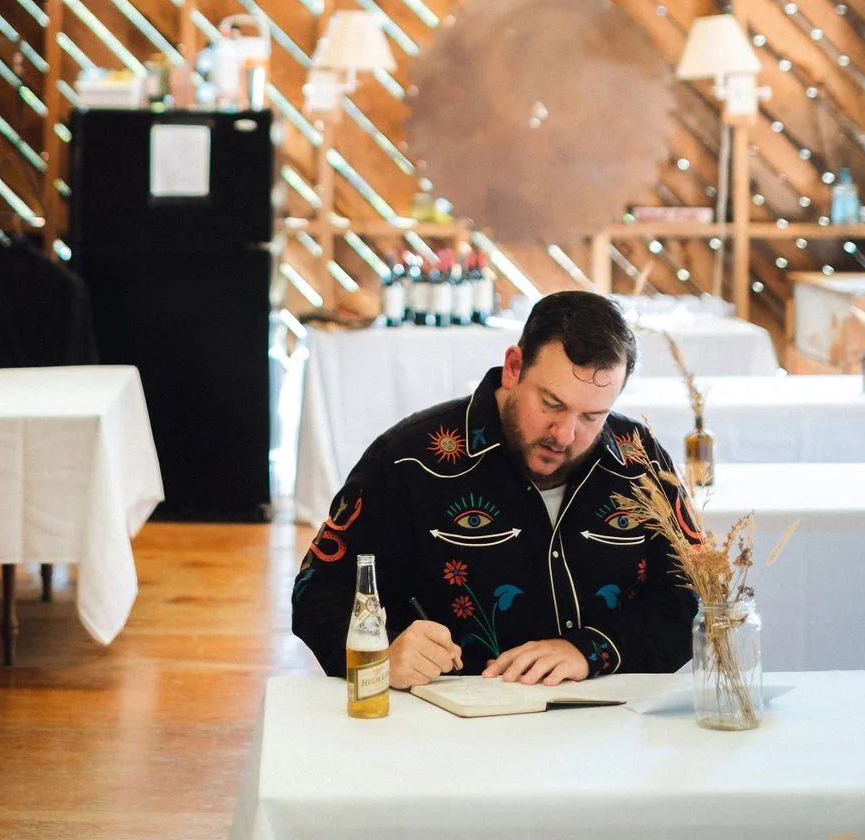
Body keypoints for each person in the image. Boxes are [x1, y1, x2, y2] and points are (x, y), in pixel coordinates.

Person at [292, 290, 697, 688]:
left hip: (612, 718)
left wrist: (590, 651)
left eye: (592, 416)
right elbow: (319, 589)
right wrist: (382, 654)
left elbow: (692, 597)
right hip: (448, 718)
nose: (564, 434)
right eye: (552, 404)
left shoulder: (638, 461)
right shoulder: (410, 460)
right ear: (513, 367)